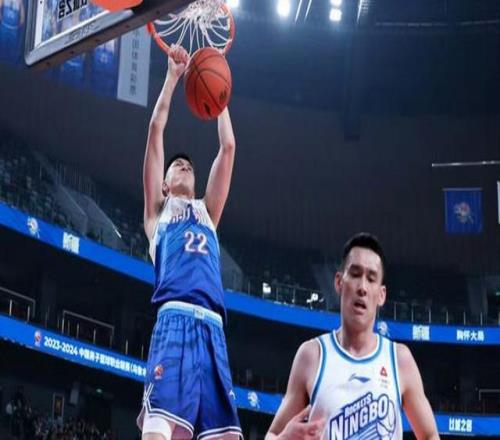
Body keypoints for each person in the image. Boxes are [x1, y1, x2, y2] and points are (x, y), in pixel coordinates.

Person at [137, 44, 241, 440]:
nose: (183, 164)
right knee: (158, 432)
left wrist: (219, 99)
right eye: (175, 165)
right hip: (174, 321)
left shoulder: (207, 213)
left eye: (189, 166)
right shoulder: (157, 214)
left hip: (213, 330)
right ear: (164, 184)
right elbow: (155, 131)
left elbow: (228, 148)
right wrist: (172, 78)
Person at [266, 233, 440, 440]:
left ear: (381, 294)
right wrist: (284, 439)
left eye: (371, 279)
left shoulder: (399, 359)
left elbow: (430, 434)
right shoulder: (312, 355)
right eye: (355, 274)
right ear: (339, 282)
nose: (362, 288)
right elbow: (272, 434)